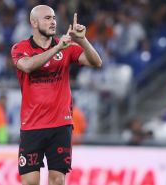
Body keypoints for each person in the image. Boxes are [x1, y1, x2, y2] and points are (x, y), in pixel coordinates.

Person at [10, 5, 102, 185]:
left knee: (58, 180)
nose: (53, 22)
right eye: (47, 18)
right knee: (29, 181)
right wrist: (58, 48)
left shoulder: (66, 46)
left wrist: (82, 40)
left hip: (61, 124)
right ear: (34, 22)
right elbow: (27, 66)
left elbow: (96, 62)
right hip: (32, 125)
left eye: (53, 18)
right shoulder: (20, 48)